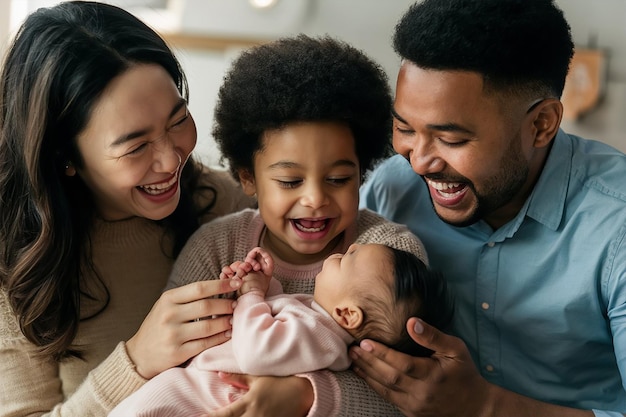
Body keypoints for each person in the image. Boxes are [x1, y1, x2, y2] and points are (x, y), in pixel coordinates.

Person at [355, 0, 626, 416]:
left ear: (541, 125)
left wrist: (484, 405)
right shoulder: (393, 190)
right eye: (406, 128)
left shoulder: (616, 225)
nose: (420, 161)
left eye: (452, 139)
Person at [164, 34, 443, 416]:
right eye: (290, 182)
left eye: (339, 179)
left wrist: (305, 394)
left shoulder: (388, 255)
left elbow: (404, 392)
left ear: (362, 173)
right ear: (248, 178)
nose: (315, 199)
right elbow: (170, 358)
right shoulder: (217, 246)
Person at [0, 2, 255, 416]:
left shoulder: (221, 202)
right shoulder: (16, 265)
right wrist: (135, 361)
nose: (172, 161)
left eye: (178, 120)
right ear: (64, 155)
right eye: (136, 147)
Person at [109, 243, 452, 416]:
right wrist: (261, 285)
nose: (338, 254)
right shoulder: (317, 323)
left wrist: (252, 294)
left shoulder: (321, 335)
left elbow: (259, 350)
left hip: (209, 393)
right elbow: (276, 327)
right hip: (205, 386)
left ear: (347, 314)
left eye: (347, 259)